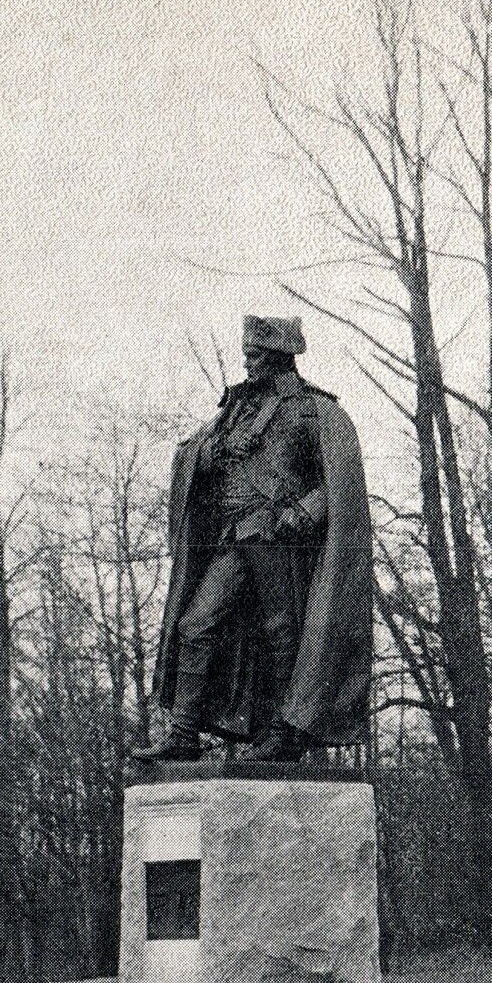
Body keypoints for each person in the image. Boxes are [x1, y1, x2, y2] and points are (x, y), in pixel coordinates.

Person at [133, 315, 372, 764]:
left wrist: (303, 512)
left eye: (255, 355)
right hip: (233, 534)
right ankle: (183, 733)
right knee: (195, 623)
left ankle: (285, 731)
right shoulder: (235, 411)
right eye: (246, 354)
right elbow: (195, 458)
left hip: (276, 537)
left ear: (280, 356)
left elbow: (341, 484)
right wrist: (209, 452)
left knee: (283, 631)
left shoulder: (313, 411)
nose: (247, 363)